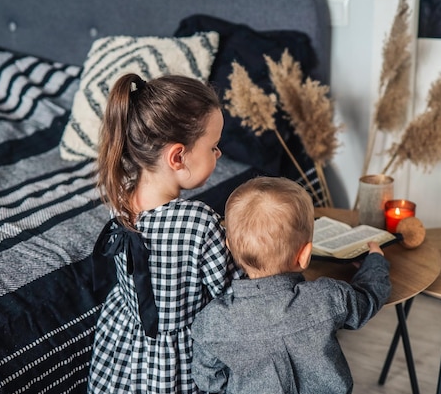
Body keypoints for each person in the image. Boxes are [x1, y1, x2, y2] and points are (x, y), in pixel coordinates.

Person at [88, 73, 239, 394]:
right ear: (177, 156)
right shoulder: (198, 222)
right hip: (177, 357)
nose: (219, 154)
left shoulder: (120, 196)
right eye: (213, 146)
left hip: (125, 339)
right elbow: (230, 292)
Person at [191, 176, 391, 394]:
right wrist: (375, 262)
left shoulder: (212, 322)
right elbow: (368, 298)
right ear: (305, 255)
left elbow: (208, 379)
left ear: (229, 247)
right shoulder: (328, 298)